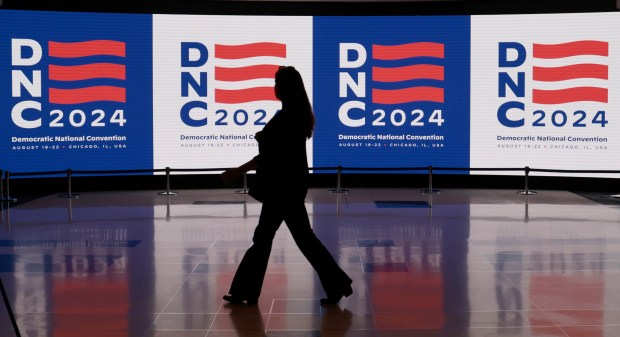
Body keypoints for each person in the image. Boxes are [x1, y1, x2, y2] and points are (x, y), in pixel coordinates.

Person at [220, 66, 353, 305]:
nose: (274, 87)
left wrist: (239, 169)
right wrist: (264, 139)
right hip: (287, 187)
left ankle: (245, 290)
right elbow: (279, 152)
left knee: (274, 239)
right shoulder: (295, 114)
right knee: (289, 239)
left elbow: (272, 156)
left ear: (284, 88)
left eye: (277, 83)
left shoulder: (287, 117)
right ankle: (337, 285)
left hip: (281, 189)